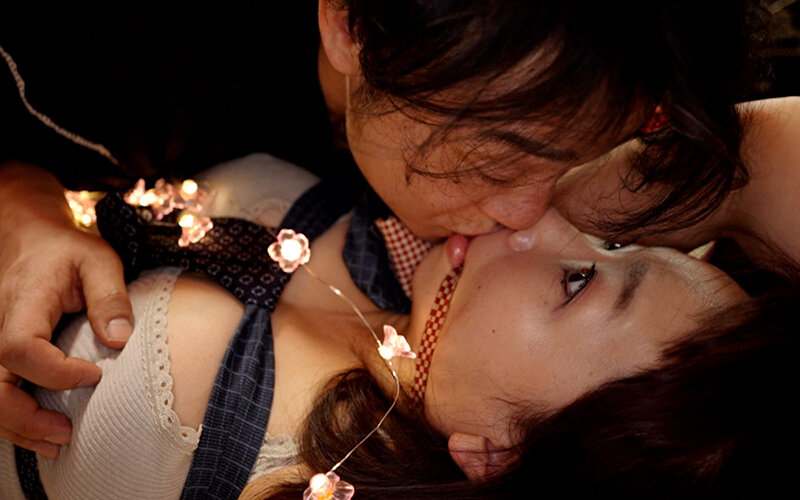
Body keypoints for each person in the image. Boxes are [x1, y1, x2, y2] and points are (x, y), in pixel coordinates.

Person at [0, 0, 778, 460]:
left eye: (587, 153)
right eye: (493, 162)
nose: (531, 215)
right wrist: (20, 197)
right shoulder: (116, 66)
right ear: (348, 24)